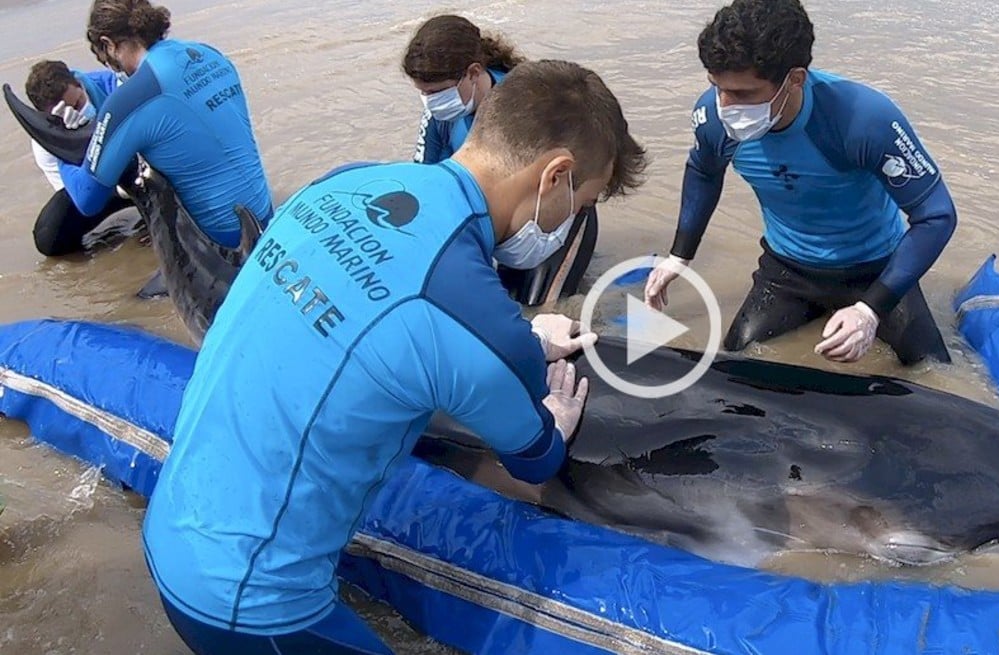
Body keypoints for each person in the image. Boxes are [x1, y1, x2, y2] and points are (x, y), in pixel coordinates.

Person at [141, 59, 648, 653]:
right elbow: (533, 462)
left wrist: (526, 339)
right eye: (582, 203)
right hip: (249, 607)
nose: (572, 223)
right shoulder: (474, 321)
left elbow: (382, 313)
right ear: (555, 176)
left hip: (169, 529)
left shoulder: (343, 182)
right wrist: (554, 420)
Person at [643, 0, 958, 366]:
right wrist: (679, 255)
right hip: (787, 271)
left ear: (795, 80)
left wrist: (871, 310)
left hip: (875, 269)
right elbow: (703, 171)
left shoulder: (861, 119)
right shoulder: (713, 118)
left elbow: (936, 215)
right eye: (716, 87)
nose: (725, 106)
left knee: (933, 374)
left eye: (743, 94)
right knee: (735, 370)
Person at [403, 14, 600, 307]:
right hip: (503, 231)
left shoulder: (528, 103)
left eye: (435, 92)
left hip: (555, 224)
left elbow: (583, 167)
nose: (430, 101)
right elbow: (427, 187)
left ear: (473, 73)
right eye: (423, 93)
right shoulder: (439, 116)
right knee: (502, 303)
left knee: (541, 311)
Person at [57, 0, 273, 249]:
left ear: (108, 44)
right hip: (265, 216)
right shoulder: (209, 53)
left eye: (105, 57)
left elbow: (87, 200)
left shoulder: (131, 98)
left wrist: (60, 144)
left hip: (223, 243)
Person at [22, 60, 134, 256]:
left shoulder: (115, 87)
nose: (77, 112)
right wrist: (70, 142)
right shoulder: (45, 142)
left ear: (78, 83)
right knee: (48, 236)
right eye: (64, 113)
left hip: (141, 166)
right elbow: (77, 194)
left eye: (78, 103)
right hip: (107, 189)